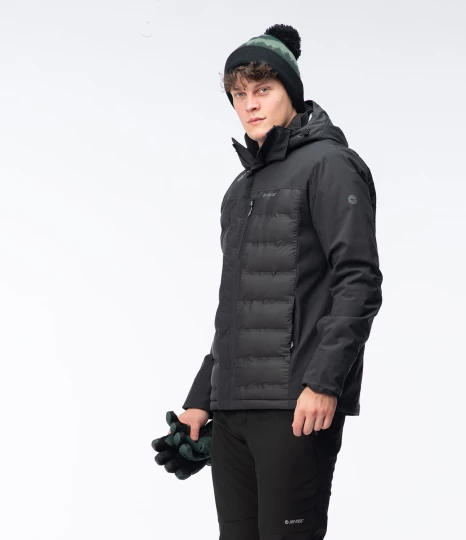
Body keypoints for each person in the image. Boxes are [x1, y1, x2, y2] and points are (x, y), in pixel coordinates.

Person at [176, 23, 383, 540]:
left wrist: (324, 382)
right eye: (238, 94)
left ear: (290, 90)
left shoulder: (331, 166)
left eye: (262, 90)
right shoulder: (239, 188)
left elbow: (358, 281)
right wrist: (203, 397)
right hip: (233, 412)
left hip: (297, 407)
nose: (249, 104)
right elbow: (236, 307)